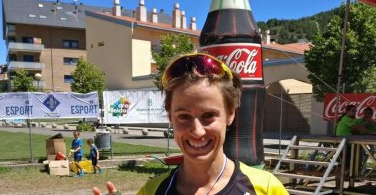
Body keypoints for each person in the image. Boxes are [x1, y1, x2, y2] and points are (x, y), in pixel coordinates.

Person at [93, 53, 288, 194]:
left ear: (230, 115)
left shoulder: (267, 188)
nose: (197, 131)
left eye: (209, 115)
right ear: (170, 118)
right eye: (184, 116)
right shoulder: (153, 191)